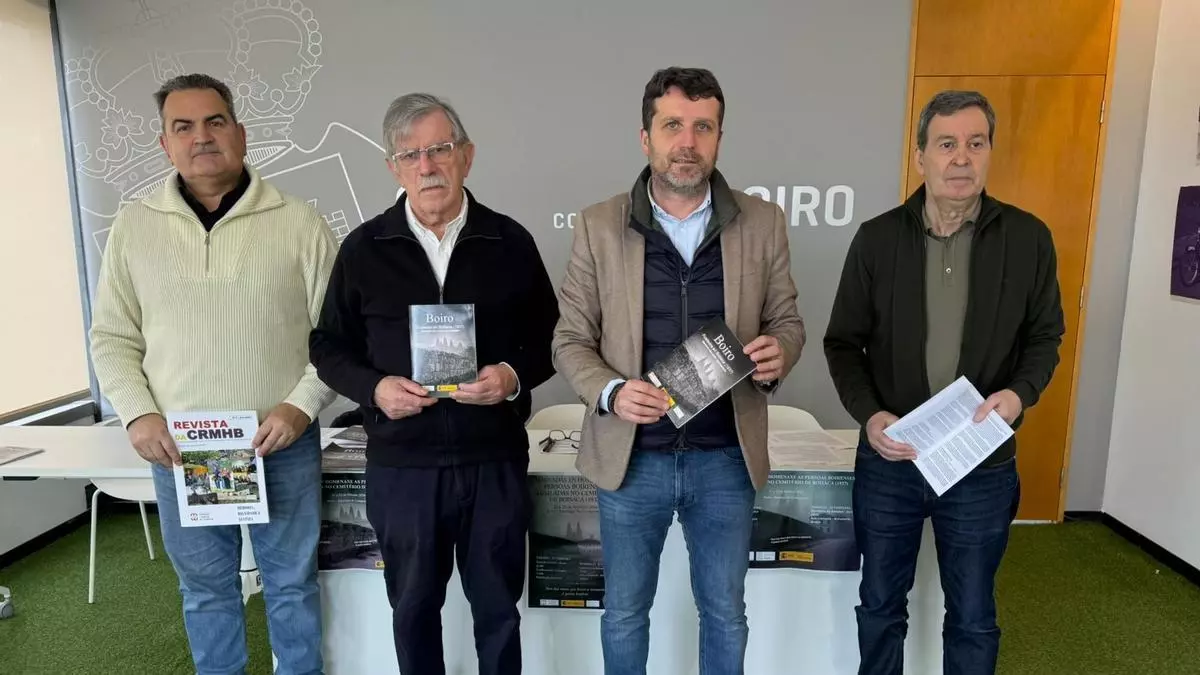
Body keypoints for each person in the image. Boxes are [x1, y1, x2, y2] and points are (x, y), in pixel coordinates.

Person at [552, 67, 806, 675]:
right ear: (646, 137)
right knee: (624, 614)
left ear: (719, 137)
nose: (687, 142)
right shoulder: (598, 225)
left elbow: (787, 322)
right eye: (672, 126)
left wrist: (779, 353)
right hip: (631, 458)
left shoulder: (763, 221)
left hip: (725, 458)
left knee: (725, 614)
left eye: (703, 127)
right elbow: (569, 340)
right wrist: (612, 392)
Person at [89, 73, 337, 675]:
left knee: (291, 586)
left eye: (215, 122)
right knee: (207, 592)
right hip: (186, 451)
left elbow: (339, 338)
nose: (201, 137)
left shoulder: (299, 221)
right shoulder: (134, 226)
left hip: (279, 443)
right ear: (165, 144)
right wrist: (138, 413)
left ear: (240, 133)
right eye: (184, 127)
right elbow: (112, 338)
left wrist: (301, 405)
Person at [308, 92, 559, 675]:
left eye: (440, 149)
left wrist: (511, 377)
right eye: (410, 154)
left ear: (466, 156)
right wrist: (375, 389)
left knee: (499, 613)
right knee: (414, 610)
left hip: (493, 462)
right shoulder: (364, 249)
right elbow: (327, 346)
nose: (427, 166)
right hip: (404, 468)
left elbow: (552, 337)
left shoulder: (510, 241)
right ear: (393, 168)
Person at [823, 90, 1066, 675]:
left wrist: (1019, 395)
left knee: (974, 614)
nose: (961, 158)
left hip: (979, 461)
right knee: (880, 606)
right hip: (892, 459)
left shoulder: (1029, 239)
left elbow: (1045, 338)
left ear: (990, 152)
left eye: (975, 144)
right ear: (920, 157)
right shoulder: (877, 239)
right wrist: (870, 415)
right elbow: (843, 344)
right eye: (946, 144)